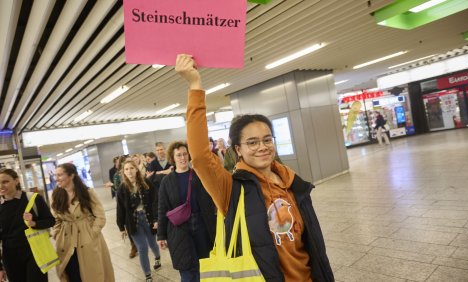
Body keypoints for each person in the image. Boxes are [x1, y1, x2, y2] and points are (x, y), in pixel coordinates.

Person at [176, 54, 334, 282]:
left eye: (267, 139)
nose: (262, 147)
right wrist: (195, 86)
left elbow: (312, 246)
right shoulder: (232, 188)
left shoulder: (293, 183)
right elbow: (200, 156)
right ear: (238, 149)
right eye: (252, 142)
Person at [157, 141, 216, 282]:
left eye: (185, 154)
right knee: (187, 270)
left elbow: (211, 198)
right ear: (173, 157)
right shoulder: (167, 181)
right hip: (179, 229)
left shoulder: (199, 175)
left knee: (205, 266)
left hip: (202, 225)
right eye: (179, 155)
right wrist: (161, 235)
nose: (182, 158)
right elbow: (162, 208)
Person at [51, 163, 114, 282]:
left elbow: (100, 216)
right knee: (71, 273)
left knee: (90, 274)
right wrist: (57, 233)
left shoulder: (87, 192)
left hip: (86, 238)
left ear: (71, 175)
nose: (56, 178)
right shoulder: (56, 195)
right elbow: (56, 219)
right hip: (66, 240)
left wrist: (92, 234)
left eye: (60, 175)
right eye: (56, 175)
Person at [0, 168, 55, 282]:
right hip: (10, 256)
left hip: (35, 253)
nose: (1, 186)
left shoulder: (33, 199)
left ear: (16, 181)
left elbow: (50, 221)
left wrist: (33, 223)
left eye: (5, 182)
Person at [116, 160, 161, 282]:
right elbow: (120, 209)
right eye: (126, 169)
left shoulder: (146, 183)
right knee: (142, 247)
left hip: (148, 218)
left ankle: (157, 257)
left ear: (136, 169)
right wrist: (121, 227)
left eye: (131, 168)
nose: (129, 171)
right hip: (133, 222)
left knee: (152, 243)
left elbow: (155, 201)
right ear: (123, 172)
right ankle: (148, 275)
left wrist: (157, 219)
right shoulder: (122, 189)